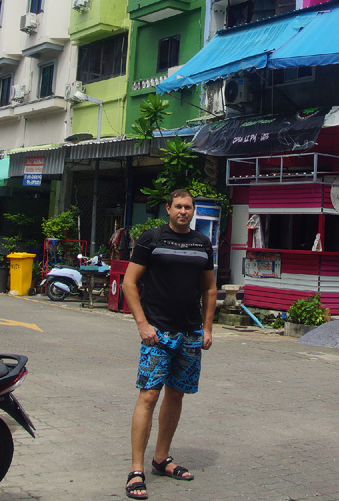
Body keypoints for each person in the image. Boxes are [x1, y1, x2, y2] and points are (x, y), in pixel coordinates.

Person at [122, 189, 215, 500]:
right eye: (178, 206)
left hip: (189, 334)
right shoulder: (151, 239)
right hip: (157, 333)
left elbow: (210, 288)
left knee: (176, 395)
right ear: (168, 209)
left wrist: (207, 328)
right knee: (148, 396)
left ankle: (162, 459)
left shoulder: (203, 243)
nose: (183, 212)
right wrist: (142, 324)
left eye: (188, 207)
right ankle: (137, 469)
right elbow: (129, 282)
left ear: (193, 210)